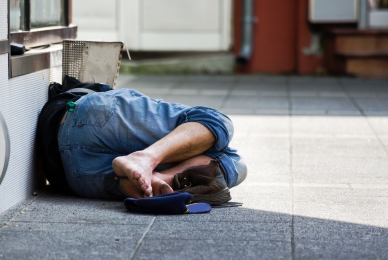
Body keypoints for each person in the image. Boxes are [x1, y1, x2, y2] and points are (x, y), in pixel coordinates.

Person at [57, 88, 247, 202]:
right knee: (228, 150)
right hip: (77, 176)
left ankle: (149, 176)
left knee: (229, 149)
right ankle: (153, 167)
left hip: (69, 161)